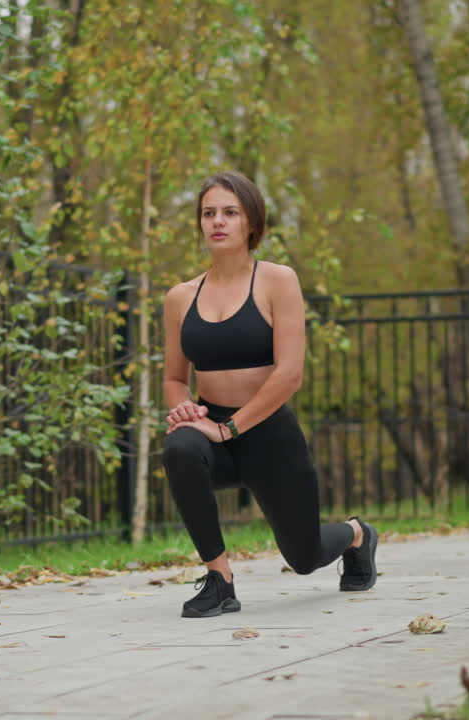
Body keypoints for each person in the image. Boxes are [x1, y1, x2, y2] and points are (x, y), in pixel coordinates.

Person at [161, 170, 378, 619]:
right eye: (208, 213)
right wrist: (183, 407)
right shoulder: (180, 298)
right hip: (211, 429)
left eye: (229, 212)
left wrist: (231, 428)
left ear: (251, 223)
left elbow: (290, 375)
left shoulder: (278, 280)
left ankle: (357, 534)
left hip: (267, 433)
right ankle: (219, 580)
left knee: (305, 556)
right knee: (180, 446)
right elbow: (174, 378)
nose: (217, 222)